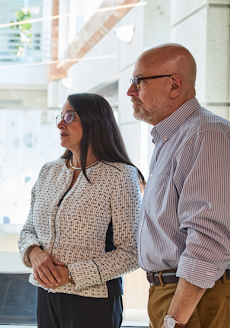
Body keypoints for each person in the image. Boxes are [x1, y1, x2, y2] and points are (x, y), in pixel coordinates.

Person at [128, 43, 230, 328]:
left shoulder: (206, 136)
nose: (130, 92)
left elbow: (208, 237)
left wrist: (175, 319)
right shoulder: (175, 138)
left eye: (139, 82)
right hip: (179, 294)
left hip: (193, 297)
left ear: (174, 85)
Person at [18, 93, 143, 328]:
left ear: (94, 121)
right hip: (46, 294)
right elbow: (27, 231)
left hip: (93, 300)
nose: (60, 123)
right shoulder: (49, 171)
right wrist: (35, 254)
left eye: (69, 116)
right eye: (61, 115)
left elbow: (132, 253)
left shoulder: (120, 176)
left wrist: (72, 274)